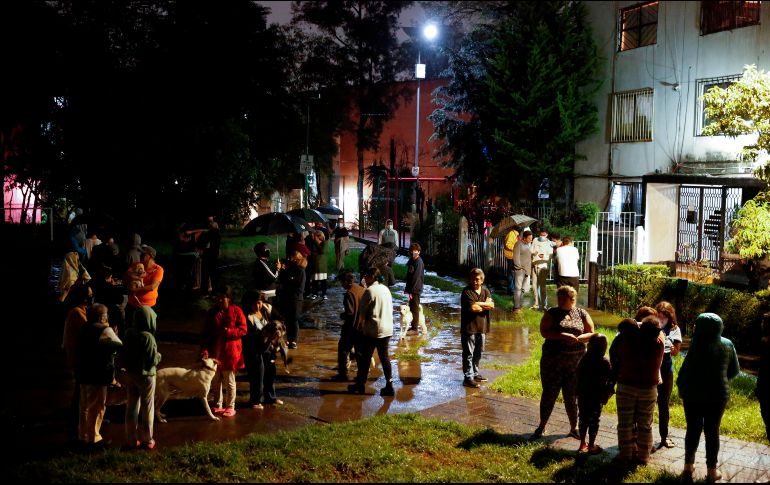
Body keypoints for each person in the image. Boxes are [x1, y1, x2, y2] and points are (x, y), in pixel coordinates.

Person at [677, 313, 740, 481]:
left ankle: (688, 467)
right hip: (718, 395)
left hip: (693, 395)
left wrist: (680, 386)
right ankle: (712, 471)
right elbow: (734, 370)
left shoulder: (696, 345)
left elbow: (686, 371)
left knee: (693, 429)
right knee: (713, 431)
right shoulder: (728, 344)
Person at [532, 285, 595, 440]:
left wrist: (581, 338)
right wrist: (562, 335)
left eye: (563, 298)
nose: (559, 301)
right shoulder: (552, 313)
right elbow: (544, 332)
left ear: (572, 299)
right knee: (549, 393)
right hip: (552, 362)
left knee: (572, 395)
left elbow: (591, 333)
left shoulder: (581, 313)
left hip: (575, 363)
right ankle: (542, 425)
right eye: (558, 298)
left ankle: (574, 427)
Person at [612, 315, 664, 466]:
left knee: (625, 423)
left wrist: (636, 324)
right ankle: (643, 457)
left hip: (626, 386)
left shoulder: (627, 341)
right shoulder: (659, 343)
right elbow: (657, 330)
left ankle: (625, 455)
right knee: (645, 424)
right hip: (648, 389)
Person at [74, 303, 122, 450]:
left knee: (84, 406)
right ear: (102, 317)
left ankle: (83, 436)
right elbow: (118, 344)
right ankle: (94, 438)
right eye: (106, 315)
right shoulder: (104, 330)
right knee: (98, 406)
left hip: (83, 371)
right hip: (99, 373)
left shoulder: (83, 328)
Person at [201, 285, 247, 418]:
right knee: (216, 380)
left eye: (223, 298)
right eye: (218, 298)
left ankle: (231, 406)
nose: (220, 300)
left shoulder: (237, 311)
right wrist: (204, 350)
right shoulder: (211, 313)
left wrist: (229, 332)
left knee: (230, 380)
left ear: (229, 298)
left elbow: (243, 330)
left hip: (231, 352)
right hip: (215, 352)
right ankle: (217, 404)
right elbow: (206, 334)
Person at [348, 267, 395, 397]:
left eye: (366, 276)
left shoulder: (369, 291)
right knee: (384, 357)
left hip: (373, 330)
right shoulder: (385, 289)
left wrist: (358, 328)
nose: (364, 278)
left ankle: (360, 385)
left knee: (365, 357)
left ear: (371, 277)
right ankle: (389, 386)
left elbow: (362, 314)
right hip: (387, 329)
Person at [122, 305, 162, 450]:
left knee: (132, 406)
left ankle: (130, 439)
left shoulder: (128, 333)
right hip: (146, 376)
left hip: (131, 374)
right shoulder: (148, 337)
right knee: (147, 407)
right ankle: (148, 439)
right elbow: (152, 360)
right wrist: (159, 356)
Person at [241, 291, 283, 408]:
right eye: (254, 303)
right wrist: (263, 335)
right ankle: (255, 400)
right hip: (254, 350)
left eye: (259, 303)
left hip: (268, 349)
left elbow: (280, 319)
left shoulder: (265, 310)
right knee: (257, 375)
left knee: (271, 373)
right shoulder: (246, 316)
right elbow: (248, 335)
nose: (257, 306)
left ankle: (270, 397)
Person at [576, 333, 613, 454]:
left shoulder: (584, 359)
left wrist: (576, 392)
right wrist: (607, 395)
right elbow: (609, 381)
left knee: (583, 419)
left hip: (583, 396)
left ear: (590, 345)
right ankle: (591, 445)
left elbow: (577, 378)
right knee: (594, 420)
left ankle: (582, 443)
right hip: (597, 397)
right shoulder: (605, 362)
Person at [654, 301, 683, 451]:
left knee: (663, 404)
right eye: (659, 316)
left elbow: (677, 351)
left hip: (666, 369)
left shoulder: (674, 329)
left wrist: (673, 349)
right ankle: (643, 435)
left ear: (670, 317)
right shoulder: (651, 325)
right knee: (647, 401)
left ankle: (664, 437)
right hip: (651, 367)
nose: (661, 319)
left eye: (664, 317)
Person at [460, 268, 494, 388]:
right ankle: (468, 377)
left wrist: (479, 303)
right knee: (468, 353)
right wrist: (484, 305)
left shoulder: (485, 291)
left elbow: (491, 305)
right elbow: (474, 308)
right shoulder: (466, 292)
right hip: (469, 328)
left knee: (478, 352)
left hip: (482, 327)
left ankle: (475, 373)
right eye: (473, 279)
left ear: (482, 280)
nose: (475, 281)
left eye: (477, 279)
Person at [331, 271, 365, 382]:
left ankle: (343, 374)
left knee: (343, 349)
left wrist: (342, 315)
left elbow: (350, 313)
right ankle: (361, 376)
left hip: (351, 328)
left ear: (346, 281)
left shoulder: (349, 293)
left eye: (341, 282)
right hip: (362, 326)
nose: (341, 285)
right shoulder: (361, 289)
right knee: (360, 352)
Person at [125, 245, 164, 333]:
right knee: (130, 329)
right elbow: (127, 275)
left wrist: (136, 290)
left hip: (148, 306)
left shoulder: (158, 270)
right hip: (132, 304)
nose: (140, 255)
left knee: (147, 331)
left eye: (143, 254)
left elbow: (152, 287)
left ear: (149, 256)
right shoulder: (137, 265)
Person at [277, 251, 306, 349]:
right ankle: (289, 340)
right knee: (288, 320)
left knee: (294, 320)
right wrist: (281, 270)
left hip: (296, 299)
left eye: (291, 258)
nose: (289, 260)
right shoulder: (289, 269)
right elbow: (282, 280)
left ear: (296, 259)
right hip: (287, 297)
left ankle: (294, 340)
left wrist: (289, 280)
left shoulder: (300, 271)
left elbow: (298, 287)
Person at [404, 243, 425, 335]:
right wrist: (407, 289)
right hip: (411, 289)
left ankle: (415, 328)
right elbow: (409, 275)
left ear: (419, 252)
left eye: (415, 251)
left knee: (415, 308)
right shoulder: (411, 261)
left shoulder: (419, 262)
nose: (413, 252)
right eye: (412, 251)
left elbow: (416, 278)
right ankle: (412, 326)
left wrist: (411, 291)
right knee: (411, 307)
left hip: (416, 289)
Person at [531, 228, 553, 311]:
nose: (542, 236)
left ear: (547, 235)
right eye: (541, 234)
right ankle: (536, 303)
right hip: (534, 264)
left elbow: (550, 254)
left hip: (543, 266)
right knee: (534, 285)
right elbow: (531, 250)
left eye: (544, 235)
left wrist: (543, 255)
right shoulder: (535, 240)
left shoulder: (549, 242)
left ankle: (544, 304)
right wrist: (534, 253)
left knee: (542, 286)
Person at [512, 231, 533, 312]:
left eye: (531, 238)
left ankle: (519, 305)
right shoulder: (518, 244)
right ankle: (516, 307)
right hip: (520, 270)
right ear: (524, 237)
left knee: (522, 289)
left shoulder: (527, 245)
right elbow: (516, 257)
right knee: (518, 288)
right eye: (529, 238)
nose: (531, 240)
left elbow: (526, 256)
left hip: (526, 270)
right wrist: (519, 268)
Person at [757, 312, 770, 443]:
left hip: (766, 385)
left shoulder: (765, 342)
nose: (762, 325)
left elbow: (763, 367)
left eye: (764, 322)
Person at [311, 230, 329, 300]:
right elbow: (312, 252)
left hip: (322, 264)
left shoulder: (325, 242)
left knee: (323, 280)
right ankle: (314, 293)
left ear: (319, 236)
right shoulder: (314, 243)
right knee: (315, 280)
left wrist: (316, 242)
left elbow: (322, 251)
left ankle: (324, 293)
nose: (314, 238)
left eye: (315, 236)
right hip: (314, 264)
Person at [503, 227, 520, 295]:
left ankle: (513, 288)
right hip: (511, 256)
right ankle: (510, 289)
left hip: (514, 256)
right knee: (511, 273)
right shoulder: (511, 234)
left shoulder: (516, 234)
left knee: (514, 272)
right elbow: (508, 244)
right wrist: (516, 247)